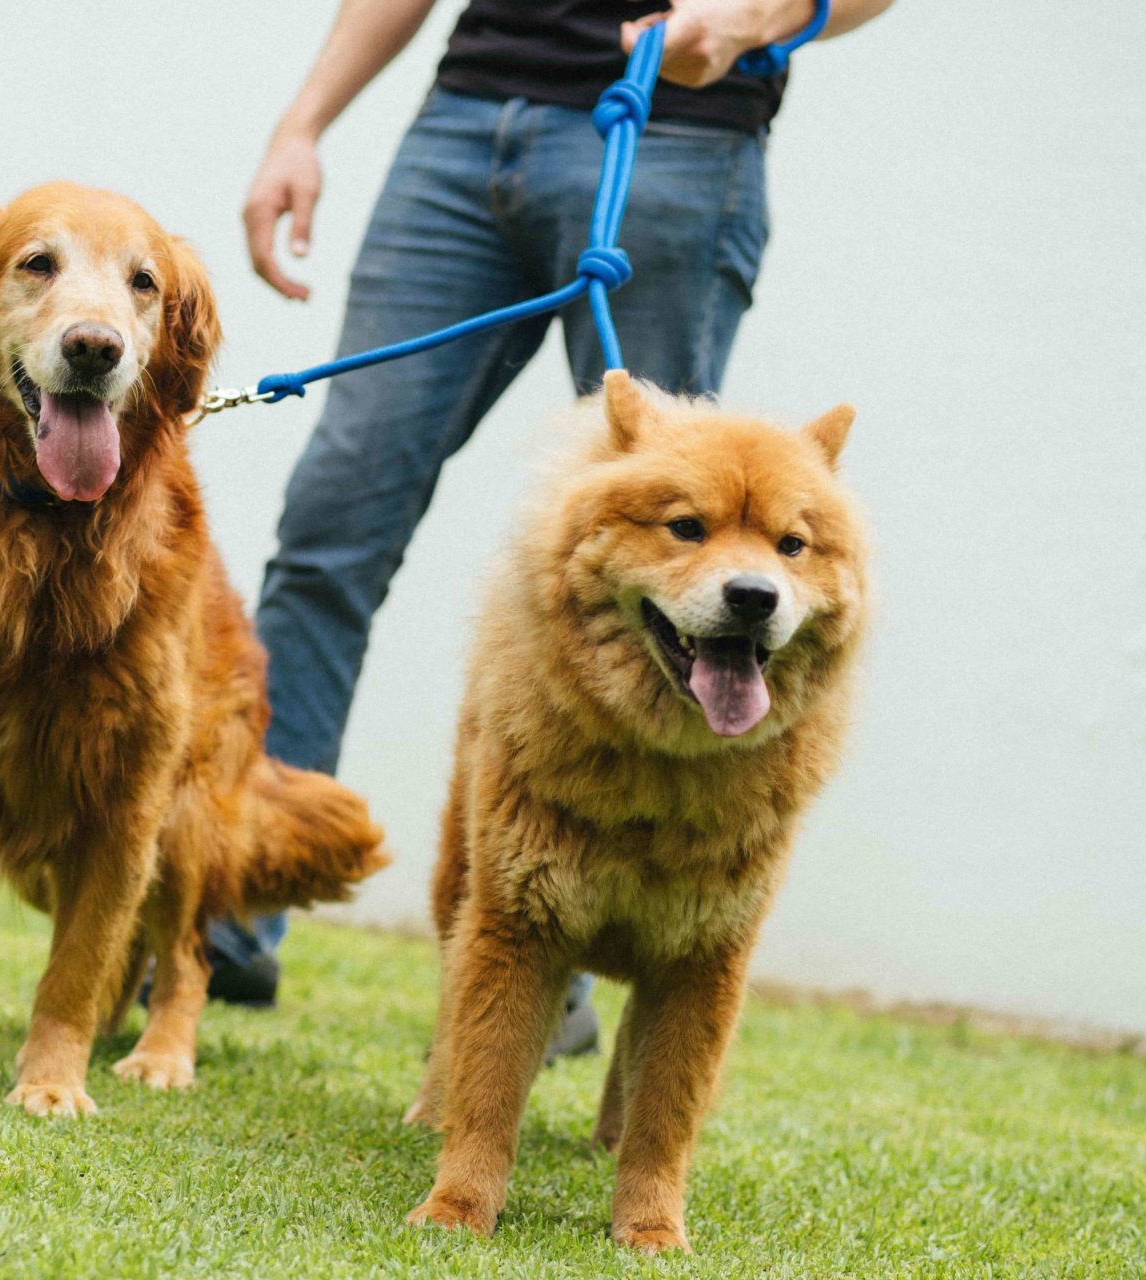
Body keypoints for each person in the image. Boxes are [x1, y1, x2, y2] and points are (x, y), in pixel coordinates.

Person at [206, 0, 896, 1056]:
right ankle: (236, 904)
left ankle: (562, 958)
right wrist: (302, 121)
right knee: (331, 520)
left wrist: (755, 17)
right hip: (464, 119)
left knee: (685, 575)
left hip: (680, 134)